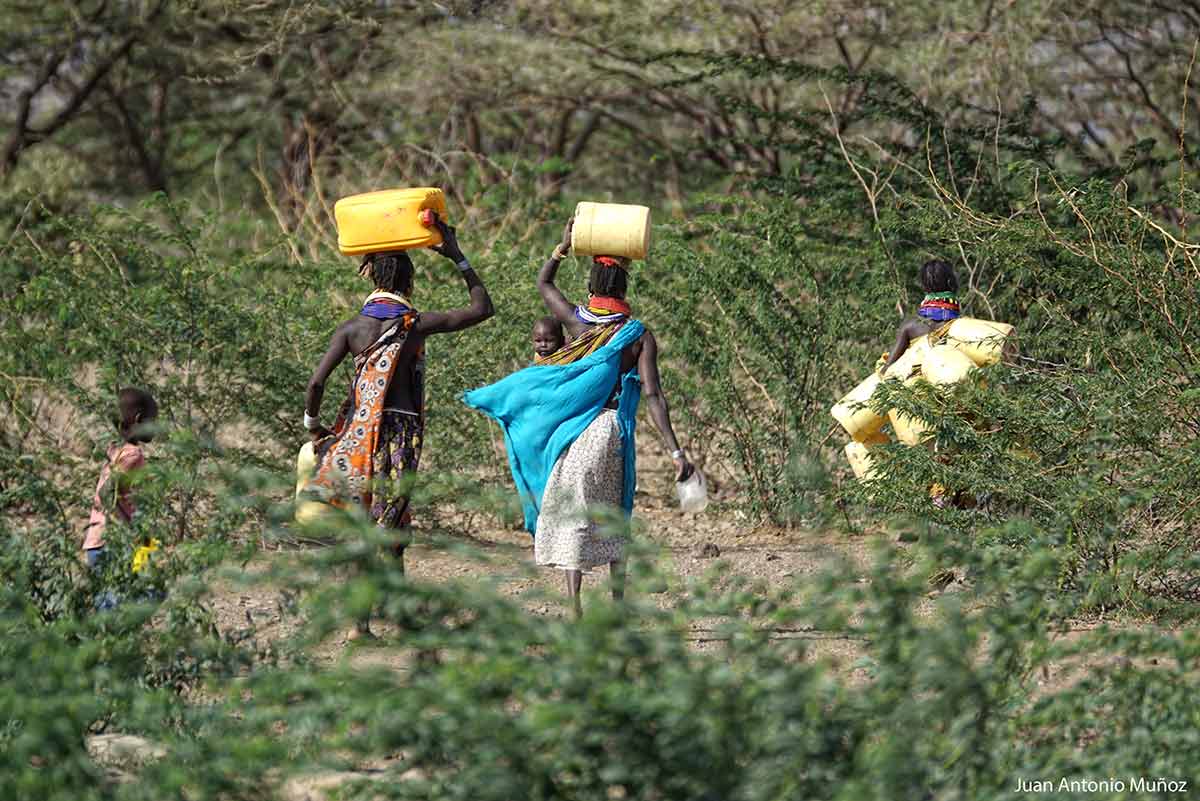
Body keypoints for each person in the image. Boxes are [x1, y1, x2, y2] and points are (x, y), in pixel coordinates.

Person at [463, 217, 693, 618]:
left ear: (590, 287)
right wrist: (676, 453)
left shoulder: (577, 321)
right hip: (609, 431)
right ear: (625, 288)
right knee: (615, 513)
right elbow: (653, 395)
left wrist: (562, 245)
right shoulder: (638, 335)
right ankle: (618, 608)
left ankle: (574, 608)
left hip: (572, 430)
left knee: (574, 514)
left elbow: (544, 285)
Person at [302, 215, 493, 636]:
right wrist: (457, 255)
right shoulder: (414, 325)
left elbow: (316, 383)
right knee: (391, 520)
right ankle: (382, 621)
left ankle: (370, 622)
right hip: (398, 439)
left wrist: (313, 427)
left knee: (371, 525)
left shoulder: (352, 328)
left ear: (371, 278)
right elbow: (483, 308)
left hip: (356, 434)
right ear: (408, 282)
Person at [83, 387, 158, 607]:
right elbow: (107, 494)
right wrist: (131, 531)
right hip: (111, 543)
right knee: (122, 604)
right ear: (137, 420)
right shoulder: (132, 455)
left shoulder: (116, 449)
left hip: (98, 541)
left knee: (110, 606)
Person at [879, 259, 961, 375]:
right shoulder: (960, 326)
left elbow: (888, 370)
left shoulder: (910, 325)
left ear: (924, 287)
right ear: (950, 282)